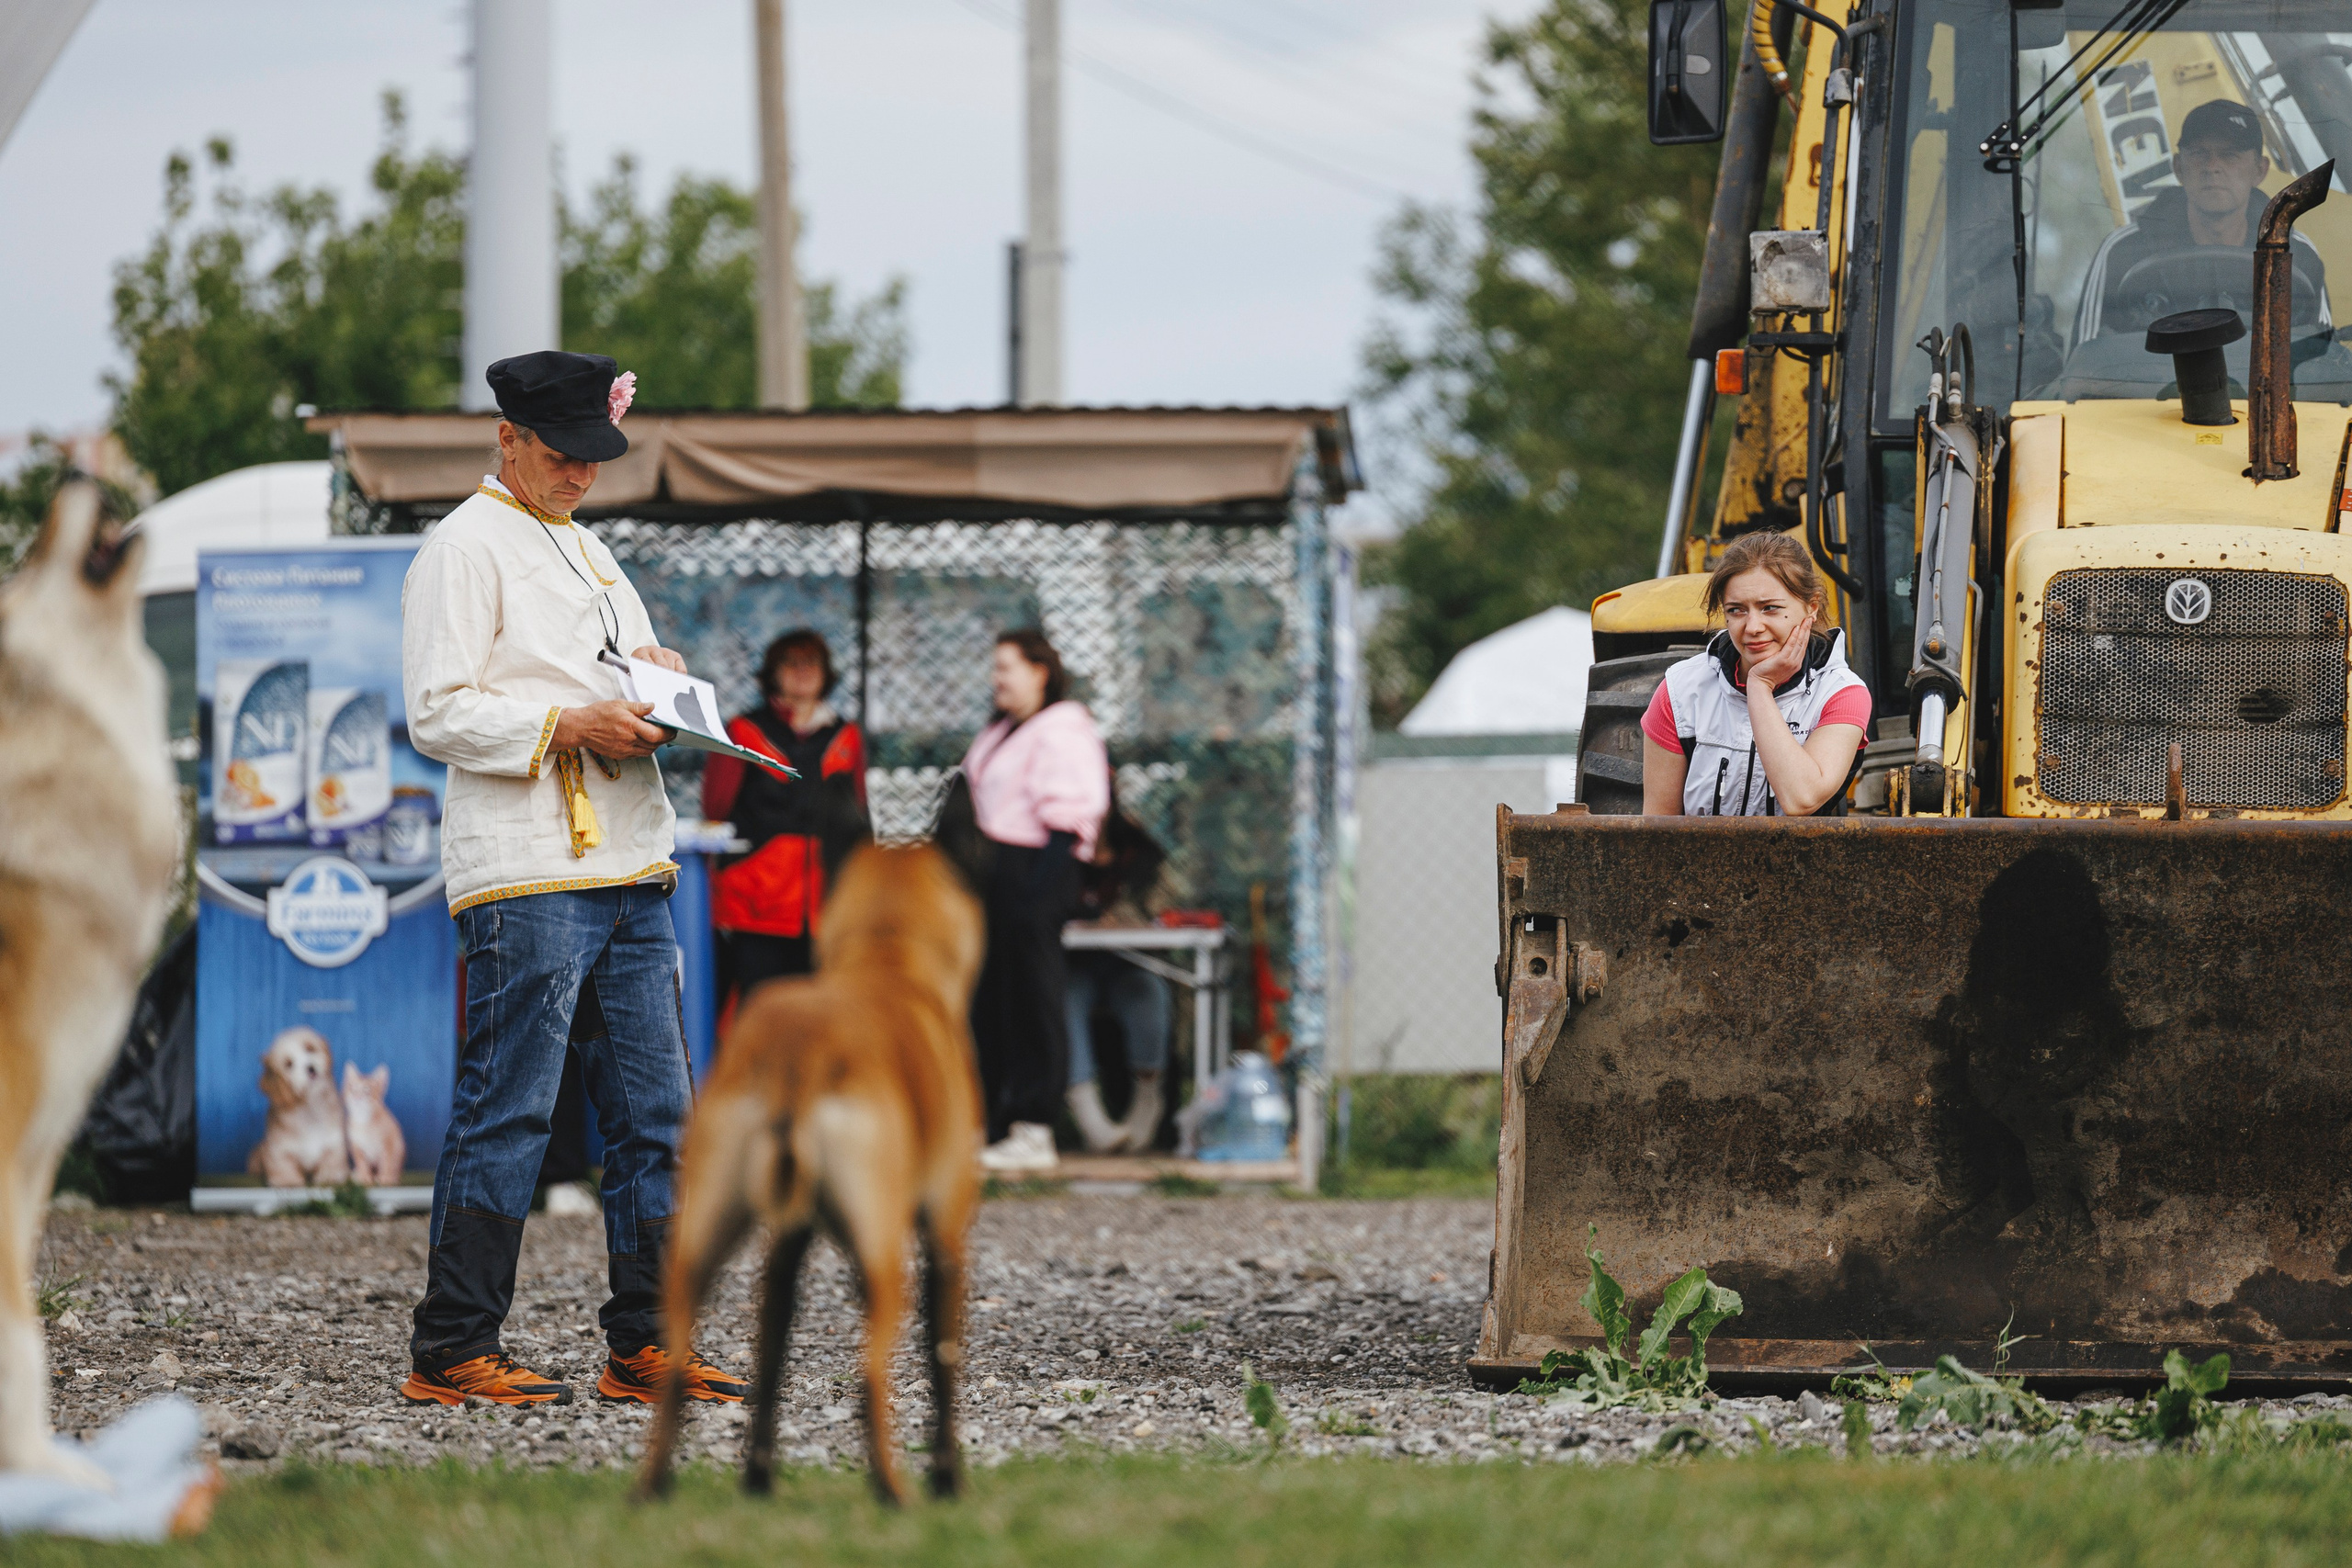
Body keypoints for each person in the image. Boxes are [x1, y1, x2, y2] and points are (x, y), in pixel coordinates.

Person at [399, 350, 744, 1408]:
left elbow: (626, 670)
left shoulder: (591, 550)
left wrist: (661, 692)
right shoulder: (460, 549)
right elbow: (436, 709)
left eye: (594, 455)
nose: (581, 474)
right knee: (510, 1106)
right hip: (527, 868)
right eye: (562, 455)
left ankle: (645, 1341)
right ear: (507, 439)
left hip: (631, 861)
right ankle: (452, 1346)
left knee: (658, 1110)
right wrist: (567, 722)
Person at [959, 629, 1110, 1174]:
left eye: (1008, 668)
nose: (998, 679)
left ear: (1040, 671)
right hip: (996, 870)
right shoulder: (1005, 730)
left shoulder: (1063, 728)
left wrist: (1035, 892)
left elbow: (1071, 815)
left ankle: (1034, 1124)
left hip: (1040, 866)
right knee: (994, 999)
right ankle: (999, 1119)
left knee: (1032, 994)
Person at [1640, 531, 1870, 817]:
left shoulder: (1841, 693)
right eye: (1737, 611)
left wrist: (1760, 686)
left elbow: (1802, 798)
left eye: (1769, 608)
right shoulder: (1680, 690)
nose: (1752, 627)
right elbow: (1657, 830)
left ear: (1811, 606)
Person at [701, 629, 868, 1011]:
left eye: (813, 662)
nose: (803, 670)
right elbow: (716, 809)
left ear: (827, 673)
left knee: (820, 1013)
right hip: (756, 902)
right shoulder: (743, 732)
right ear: (772, 673)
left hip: (826, 905)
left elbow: (860, 814)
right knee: (754, 1012)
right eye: (791, 662)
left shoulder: (847, 737)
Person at [2077, 99, 2334, 344]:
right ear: (2179, 167)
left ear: (2260, 170)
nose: (2212, 167)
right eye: (2200, 153)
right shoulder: (2123, 251)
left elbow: (2321, 361)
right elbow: (2085, 366)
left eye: (2230, 155)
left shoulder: (2297, 254)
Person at [1063, 781, 1172, 1154]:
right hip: (1075, 964)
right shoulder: (1058, 854)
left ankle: (1147, 1099)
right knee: (1065, 999)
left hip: (1130, 960)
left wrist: (1126, 918)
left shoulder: (1139, 851)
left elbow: (1162, 909)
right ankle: (1089, 1116)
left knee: (1147, 992)